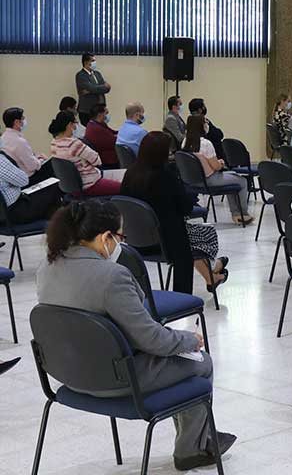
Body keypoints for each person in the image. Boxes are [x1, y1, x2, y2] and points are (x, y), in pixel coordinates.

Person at [36, 201, 236, 470]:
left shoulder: (46, 268)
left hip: (68, 376)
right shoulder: (112, 276)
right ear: (105, 238)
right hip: (117, 380)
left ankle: (200, 437)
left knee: (177, 357)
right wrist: (190, 341)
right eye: (120, 237)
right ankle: (192, 448)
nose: (121, 243)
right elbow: (151, 339)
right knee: (201, 362)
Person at [121, 132, 228, 296]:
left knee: (190, 237)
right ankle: (203, 278)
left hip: (136, 240)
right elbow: (185, 208)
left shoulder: (130, 174)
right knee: (207, 234)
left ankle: (213, 273)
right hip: (167, 241)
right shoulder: (166, 176)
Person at [183, 116, 253, 225]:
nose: (207, 125)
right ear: (201, 126)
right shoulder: (206, 144)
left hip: (192, 181)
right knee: (242, 181)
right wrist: (221, 163)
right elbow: (216, 167)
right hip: (209, 180)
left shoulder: (185, 142)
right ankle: (242, 214)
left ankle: (237, 214)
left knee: (231, 178)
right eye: (205, 123)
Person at [48, 111, 122, 196]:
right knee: (124, 187)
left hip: (73, 187)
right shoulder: (74, 143)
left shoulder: (53, 144)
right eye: (74, 124)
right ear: (69, 125)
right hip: (89, 184)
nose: (75, 128)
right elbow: (97, 160)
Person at [0, 151, 62, 224]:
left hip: (6, 212)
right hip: (14, 212)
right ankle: (59, 227)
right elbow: (23, 180)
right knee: (55, 187)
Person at [1, 107, 54, 181]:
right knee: (52, 164)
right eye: (23, 118)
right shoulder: (19, 142)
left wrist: (34, 158)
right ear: (16, 122)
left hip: (17, 177)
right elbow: (32, 166)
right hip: (30, 178)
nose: (24, 121)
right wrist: (41, 160)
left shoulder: (3, 137)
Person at [75, 53, 110, 122]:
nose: (95, 63)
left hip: (100, 110)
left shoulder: (97, 74)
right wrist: (98, 88)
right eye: (93, 61)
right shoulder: (81, 75)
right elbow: (92, 88)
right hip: (87, 111)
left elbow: (107, 88)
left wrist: (91, 90)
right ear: (86, 62)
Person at [84, 104, 120, 168]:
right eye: (106, 113)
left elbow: (113, 132)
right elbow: (114, 142)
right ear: (99, 115)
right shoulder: (95, 128)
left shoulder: (97, 124)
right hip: (108, 161)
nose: (107, 116)